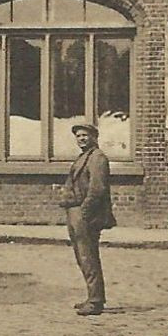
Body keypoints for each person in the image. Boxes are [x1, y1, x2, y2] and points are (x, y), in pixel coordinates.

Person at [58, 118, 116, 316]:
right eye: (78, 136)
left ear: (94, 137)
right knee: (82, 256)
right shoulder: (84, 157)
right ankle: (92, 296)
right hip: (75, 211)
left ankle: (95, 301)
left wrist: (84, 213)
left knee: (88, 256)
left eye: (85, 135)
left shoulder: (98, 158)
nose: (81, 139)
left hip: (86, 214)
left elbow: (97, 189)